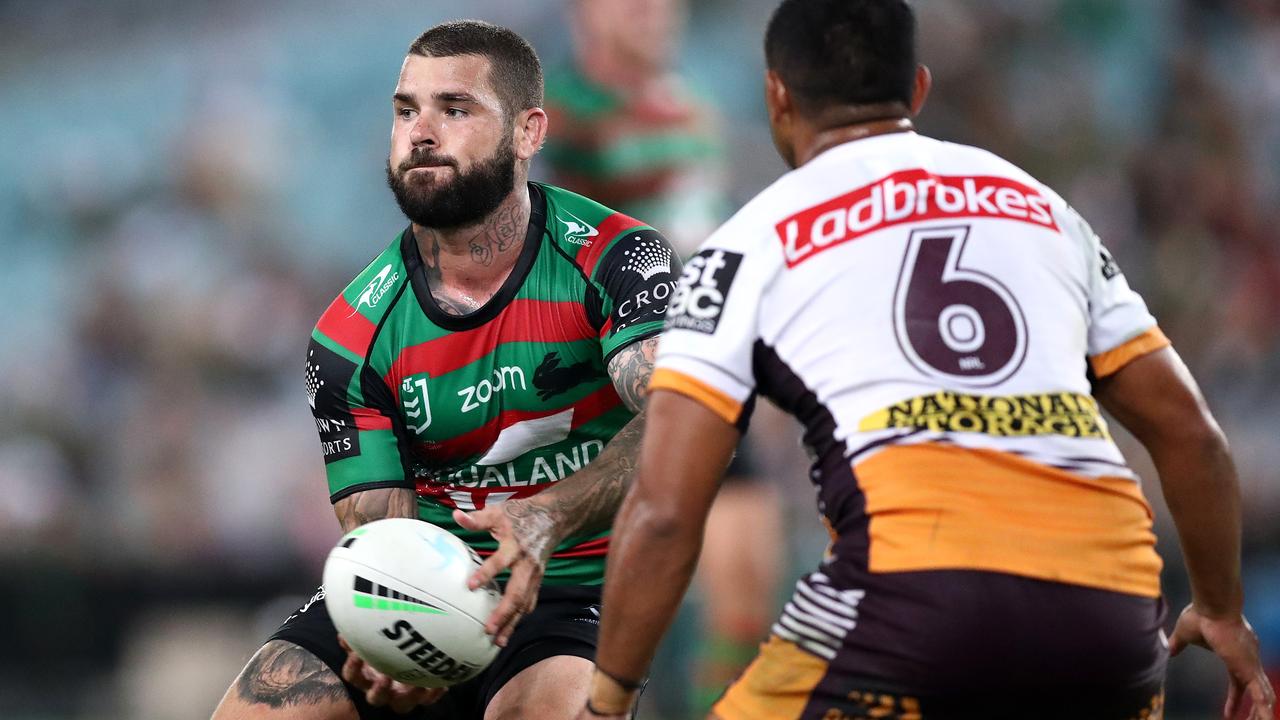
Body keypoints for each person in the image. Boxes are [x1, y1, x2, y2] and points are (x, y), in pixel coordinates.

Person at [578, 1, 1277, 719]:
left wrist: (607, 702)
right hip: (1111, 616)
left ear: (777, 96)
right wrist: (1222, 609)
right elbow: (1192, 435)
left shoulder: (739, 249)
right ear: (917, 90)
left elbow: (665, 511)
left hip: (909, 603)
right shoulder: (1046, 211)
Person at [210, 19, 682, 720]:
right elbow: (382, 534)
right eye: (406, 111)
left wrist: (549, 515)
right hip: (430, 582)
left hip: (575, 589)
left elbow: (681, 423)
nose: (421, 132)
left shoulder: (618, 259)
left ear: (529, 132)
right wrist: (399, 647)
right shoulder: (348, 338)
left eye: (454, 109)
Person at [540, 0, 785, 713]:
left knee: (746, 585)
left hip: (703, 376)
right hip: (604, 392)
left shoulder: (694, 109)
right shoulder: (558, 116)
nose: (655, 14)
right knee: (581, 619)